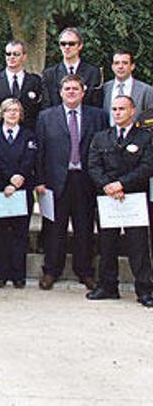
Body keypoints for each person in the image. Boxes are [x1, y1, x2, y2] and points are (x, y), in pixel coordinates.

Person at [34, 74, 108, 290]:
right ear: (60, 92)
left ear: (83, 92)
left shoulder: (98, 116)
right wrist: (39, 180)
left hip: (86, 180)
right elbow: (40, 152)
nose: (71, 92)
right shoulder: (46, 117)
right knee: (54, 228)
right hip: (55, 181)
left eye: (76, 88)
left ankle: (85, 271)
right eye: (67, 88)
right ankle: (51, 270)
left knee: (84, 228)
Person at [86, 95, 153, 307]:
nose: (117, 113)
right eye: (114, 109)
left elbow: (146, 166)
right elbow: (94, 165)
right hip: (107, 198)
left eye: (122, 109)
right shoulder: (101, 137)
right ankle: (107, 286)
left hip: (133, 197)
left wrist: (121, 184)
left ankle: (144, 289)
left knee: (138, 246)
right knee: (107, 244)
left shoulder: (145, 137)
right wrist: (107, 185)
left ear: (132, 111)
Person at [0, 99, 36, 288]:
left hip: (22, 189)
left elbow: (30, 159)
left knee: (20, 234)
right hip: (0, 190)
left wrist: (18, 179)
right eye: (8, 110)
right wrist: (10, 179)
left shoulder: (29, 136)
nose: (12, 114)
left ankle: (18, 275)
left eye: (16, 110)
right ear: (2, 113)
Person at [0, 40, 47, 130]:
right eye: (8, 54)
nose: (11, 57)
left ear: (24, 57)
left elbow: (39, 110)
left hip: (29, 135)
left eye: (16, 54)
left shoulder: (35, 81)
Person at [41, 27, 103, 108]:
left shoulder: (93, 72)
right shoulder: (49, 74)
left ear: (80, 46)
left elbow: (96, 105)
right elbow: (46, 106)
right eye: (63, 43)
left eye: (71, 43)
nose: (67, 47)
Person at [102, 50, 153, 125]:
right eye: (117, 63)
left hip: (138, 135)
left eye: (125, 63)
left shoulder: (146, 90)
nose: (120, 67)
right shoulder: (104, 88)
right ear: (112, 67)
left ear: (132, 66)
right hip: (109, 134)